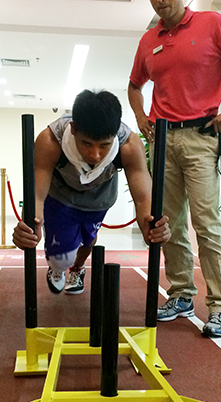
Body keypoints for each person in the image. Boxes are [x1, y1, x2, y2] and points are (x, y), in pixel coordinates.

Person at [128, 0, 221, 337]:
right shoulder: (148, 41)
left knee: (207, 224)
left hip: (202, 138)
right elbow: (134, 85)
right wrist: (141, 117)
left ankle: (220, 305)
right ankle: (182, 293)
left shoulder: (211, 25)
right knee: (168, 225)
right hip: (163, 140)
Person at [13, 89, 170, 294]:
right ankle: (58, 269)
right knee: (62, 259)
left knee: (89, 240)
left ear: (114, 136)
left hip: (99, 198)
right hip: (61, 197)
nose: (95, 155)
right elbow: (36, 194)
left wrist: (152, 227)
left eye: (104, 145)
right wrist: (27, 227)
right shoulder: (50, 140)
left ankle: (78, 269)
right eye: (86, 144)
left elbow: (144, 198)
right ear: (73, 129)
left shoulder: (129, 145)